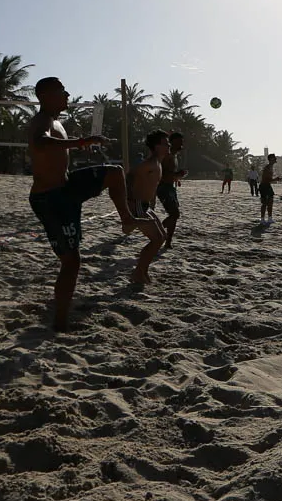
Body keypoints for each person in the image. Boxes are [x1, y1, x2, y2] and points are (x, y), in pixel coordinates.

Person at [27, 77, 162, 329]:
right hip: (51, 198)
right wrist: (82, 142)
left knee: (114, 172)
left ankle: (126, 218)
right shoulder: (42, 120)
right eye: (62, 91)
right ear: (46, 95)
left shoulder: (56, 121)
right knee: (71, 261)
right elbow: (41, 142)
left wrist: (79, 144)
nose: (67, 94)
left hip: (66, 188)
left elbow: (53, 149)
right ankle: (59, 322)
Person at [128, 131, 170, 286]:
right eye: (165, 143)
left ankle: (141, 270)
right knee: (157, 239)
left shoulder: (158, 164)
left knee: (161, 237)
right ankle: (138, 272)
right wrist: (127, 208)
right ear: (156, 146)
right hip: (138, 204)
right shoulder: (149, 164)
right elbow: (128, 178)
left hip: (145, 206)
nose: (168, 146)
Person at [156, 131, 187, 248]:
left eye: (182, 142)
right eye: (179, 142)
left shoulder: (174, 156)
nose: (181, 145)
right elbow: (161, 172)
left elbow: (171, 173)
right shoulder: (167, 156)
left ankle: (168, 242)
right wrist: (176, 174)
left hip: (170, 187)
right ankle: (158, 231)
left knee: (174, 214)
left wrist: (177, 177)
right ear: (171, 142)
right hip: (163, 187)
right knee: (175, 214)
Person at [258, 153, 278, 223]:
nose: (276, 159)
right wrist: (276, 179)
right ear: (271, 159)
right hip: (264, 186)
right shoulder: (267, 168)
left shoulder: (271, 167)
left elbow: (269, 180)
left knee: (270, 202)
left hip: (268, 185)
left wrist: (275, 179)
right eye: (274, 158)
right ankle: (262, 219)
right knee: (264, 203)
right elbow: (266, 179)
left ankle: (270, 218)